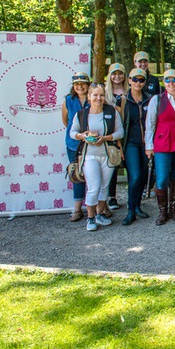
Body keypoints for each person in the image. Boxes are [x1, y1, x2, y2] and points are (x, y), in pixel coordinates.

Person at [69, 84, 124, 231]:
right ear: (89, 97)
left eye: (101, 95)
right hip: (90, 155)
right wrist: (83, 136)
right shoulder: (81, 115)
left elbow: (120, 132)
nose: (98, 98)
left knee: (104, 187)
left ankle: (100, 214)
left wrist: (104, 138)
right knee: (94, 187)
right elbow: (72, 132)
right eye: (95, 95)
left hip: (107, 155)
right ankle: (90, 218)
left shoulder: (111, 112)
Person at [145, 69, 175, 225]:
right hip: (162, 144)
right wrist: (149, 145)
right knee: (162, 178)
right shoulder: (157, 100)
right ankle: (162, 211)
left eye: (174, 80)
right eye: (167, 80)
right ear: (163, 83)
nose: (171, 83)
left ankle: (173, 209)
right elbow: (150, 124)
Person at [119, 68, 151, 225]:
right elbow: (117, 126)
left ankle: (138, 206)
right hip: (130, 143)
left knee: (143, 176)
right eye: (135, 79)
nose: (138, 82)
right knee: (135, 175)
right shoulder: (123, 100)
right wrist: (119, 147)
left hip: (146, 144)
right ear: (129, 80)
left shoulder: (150, 99)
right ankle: (130, 210)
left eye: (141, 80)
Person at [62, 72, 91, 222]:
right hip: (74, 144)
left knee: (93, 175)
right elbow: (65, 120)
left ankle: (97, 207)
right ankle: (78, 209)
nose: (80, 86)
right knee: (77, 174)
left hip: (91, 144)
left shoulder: (93, 99)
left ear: (88, 85)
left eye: (83, 83)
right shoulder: (68, 100)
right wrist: (77, 134)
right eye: (77, 84)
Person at [105, 63, 127, 211]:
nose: (117, 76)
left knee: (131, 166)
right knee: (112, 166)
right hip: (110, 134)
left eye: (120, 73)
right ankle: (111, 197)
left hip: (128, 131)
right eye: (114, 73)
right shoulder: (105, 94)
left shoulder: (129, 91)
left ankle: (133, 197)